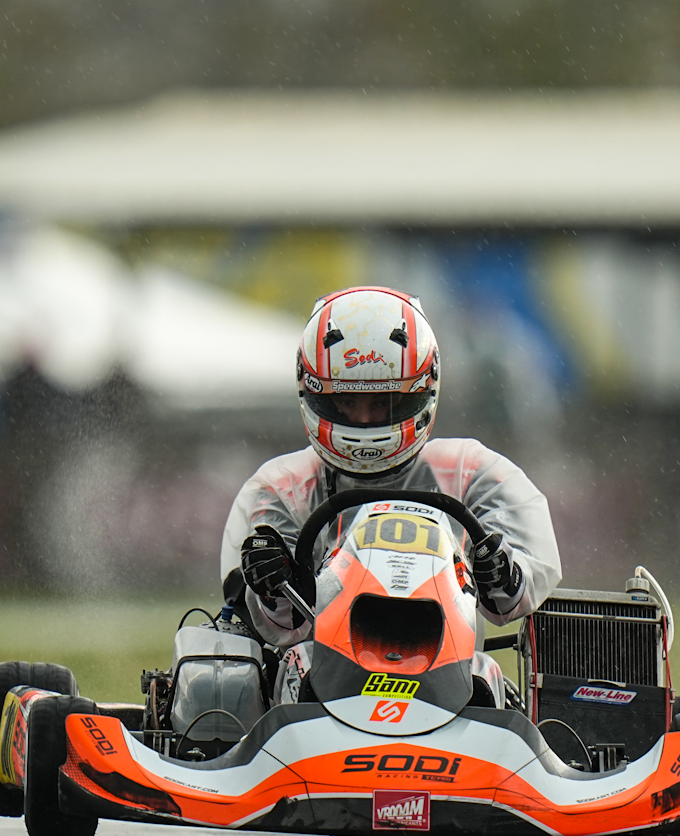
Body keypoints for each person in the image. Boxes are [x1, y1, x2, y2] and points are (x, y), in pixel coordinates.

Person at [218, 286, 561, 701]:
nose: (364, 419)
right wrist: (275, 581)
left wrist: (500, 572)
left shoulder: (474, 473)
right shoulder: (280, 488)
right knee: (226, 681)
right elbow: (276, 626)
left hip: (453, 681)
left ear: (421, 392)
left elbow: (518, 594)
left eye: (382, 402)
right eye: (347, 402)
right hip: (318, 689)